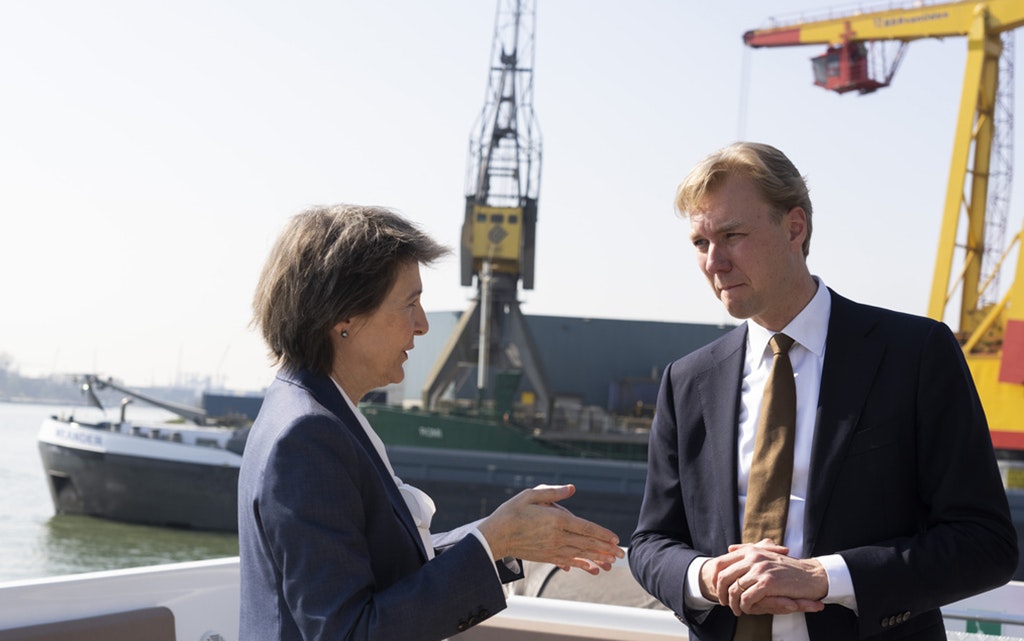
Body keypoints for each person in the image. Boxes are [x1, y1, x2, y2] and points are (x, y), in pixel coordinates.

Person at [629, 142, 1019, 641]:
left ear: (795, 228)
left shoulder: (915, 355)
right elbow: (650, 542)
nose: (715, 262)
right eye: (700, 243)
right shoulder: (686, 381)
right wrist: (704, 577)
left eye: (732, 235)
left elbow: (985, 544)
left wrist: (825, 578)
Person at [239, 204, 625, 641]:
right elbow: (348, 633)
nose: (421, 325)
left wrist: (500, 537)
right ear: (343, 318)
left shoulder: (307, 411)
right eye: (410, 304)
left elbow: (376, 570)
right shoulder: (309, 436)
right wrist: (491, 543)